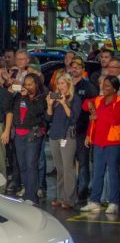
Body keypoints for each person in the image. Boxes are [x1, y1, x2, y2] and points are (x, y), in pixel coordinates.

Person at [81, 76, 120, 214]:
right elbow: (85, 104)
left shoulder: (118, 101)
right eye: (104, 85)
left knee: (113, 173)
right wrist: (91, 107)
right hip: (98, 141)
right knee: (97, 173)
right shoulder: (99, 100)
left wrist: (97, 115)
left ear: (114, 89)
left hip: (113, 142)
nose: (104, 87)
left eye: (108, 86)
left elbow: (115, 119)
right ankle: (94, 201)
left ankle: (114, 202)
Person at [45, 75, 82, 209]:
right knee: (60, 169)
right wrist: (49, 105)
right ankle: (60, 197)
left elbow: (73, 118)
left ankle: (70, 198)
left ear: (68, 84)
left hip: (67, 135)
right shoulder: (55, 99)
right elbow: (48, 118)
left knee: (68, 168)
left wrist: (64, 103)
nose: (60, 86)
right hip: (54, 135)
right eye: (58, 84)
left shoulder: (74, 99)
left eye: (62, 83)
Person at [11, 73, 47, 203]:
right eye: (25, 84)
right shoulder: (19, 97)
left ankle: (32, 196)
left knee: (31, 164)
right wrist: (11, 92)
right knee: (23, 165)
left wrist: (26, 98)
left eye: (30, 84)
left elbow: (35, 112)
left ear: (36, 85)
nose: (27, 87)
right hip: (19, 134)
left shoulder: (40, 98)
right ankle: (27, 190)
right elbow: (10, 108)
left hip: (32, 134)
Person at [69, 59, 98, 202]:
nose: (74, 69)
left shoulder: (88, 86)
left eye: (77, 67)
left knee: (83, 162)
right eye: (72, 67)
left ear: (82, 69)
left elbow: (94, 108)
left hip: (82, 129)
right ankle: (71, 191)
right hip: (67, 129)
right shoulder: (66, 85)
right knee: (69, 162)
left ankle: (82, 192)